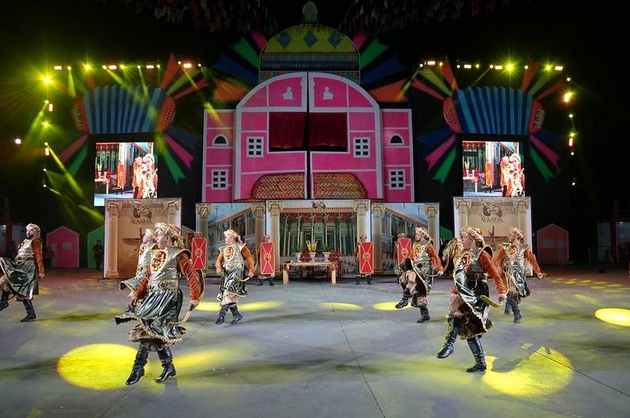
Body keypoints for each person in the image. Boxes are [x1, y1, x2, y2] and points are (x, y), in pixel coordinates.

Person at [114, 222, 203, 385]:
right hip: (152, 297)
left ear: (167, 238)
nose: (156, 237)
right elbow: (147, 277)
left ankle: (137, 368)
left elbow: (192, 276)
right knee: (154, 332)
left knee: (150, 331)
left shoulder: (179, 254)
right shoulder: (155, 253)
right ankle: (168, 366)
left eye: (160, 234)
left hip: (168, 298)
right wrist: (137, 293)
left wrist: (194, 296)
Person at [436, 226, 507, 372]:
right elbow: (461, 276)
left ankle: (449, 344)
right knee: (470, 329)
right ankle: (480, 363)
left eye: (464, 237)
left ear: (472, 239)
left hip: (477, 291)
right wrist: (454, 291)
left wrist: (501, 291)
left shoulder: (482, 254)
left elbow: (495, 274)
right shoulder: (464, 254)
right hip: (465, 289)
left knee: (455, 312)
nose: (461, 240)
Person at [494, 227, 545, 323]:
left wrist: (538, 272)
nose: (508, 237)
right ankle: (517, 313)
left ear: (515, 236)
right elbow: (499, 259)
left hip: (518, 274)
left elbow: (532, 260)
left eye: (510, 235)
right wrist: (498, 266)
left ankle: (508, 303)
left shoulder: (523, 248)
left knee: (513, 290)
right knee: (513, 292)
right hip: (508, 273)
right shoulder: (506, 247)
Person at [395, 227, 444, 323]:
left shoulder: (428, 245)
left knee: (412, 278)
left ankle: (405, 299)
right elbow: (412, 256)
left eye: (417, 234)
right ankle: (425, 314)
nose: (415, 235)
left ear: (422, 235)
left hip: (424, 269)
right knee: (418, 292)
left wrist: (440, 268)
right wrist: (406, 262)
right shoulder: (415, 244)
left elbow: (436, 257)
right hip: (416, 267)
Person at [0, 223, 46, 322]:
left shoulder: (36, 241)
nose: (28, 232)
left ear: (36, 232)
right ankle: (4, 302)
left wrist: (41, 271)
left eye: (30, 230)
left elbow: (39, 256)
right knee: (5, 280)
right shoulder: (25, 241)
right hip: (20, 266)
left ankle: (30, 313)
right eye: (27, 230)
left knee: (22, 289)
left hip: (28, 268)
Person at [214, 229, 255, 324]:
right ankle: (237, 315)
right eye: (225, 237)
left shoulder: (241, 247)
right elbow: (219, 260)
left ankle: (221, 316)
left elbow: (249, 258)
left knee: (228, 293)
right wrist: (218, 267)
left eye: (227, 237)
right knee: (230, 295)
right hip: (227, 274)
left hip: (237, 273)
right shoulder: (224, 248)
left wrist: (251, 270)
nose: (225, 239)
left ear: (232, 238)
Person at [119, 228, 158, 314]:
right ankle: (132, 307)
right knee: (136, 290)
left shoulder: (154, 247)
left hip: (147, 274)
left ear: (149, 237)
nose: (143, 237)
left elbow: (155, 261)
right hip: (140, 273)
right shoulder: (143, 246)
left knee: (141, 291)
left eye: (145, 235)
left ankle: (135, 307)